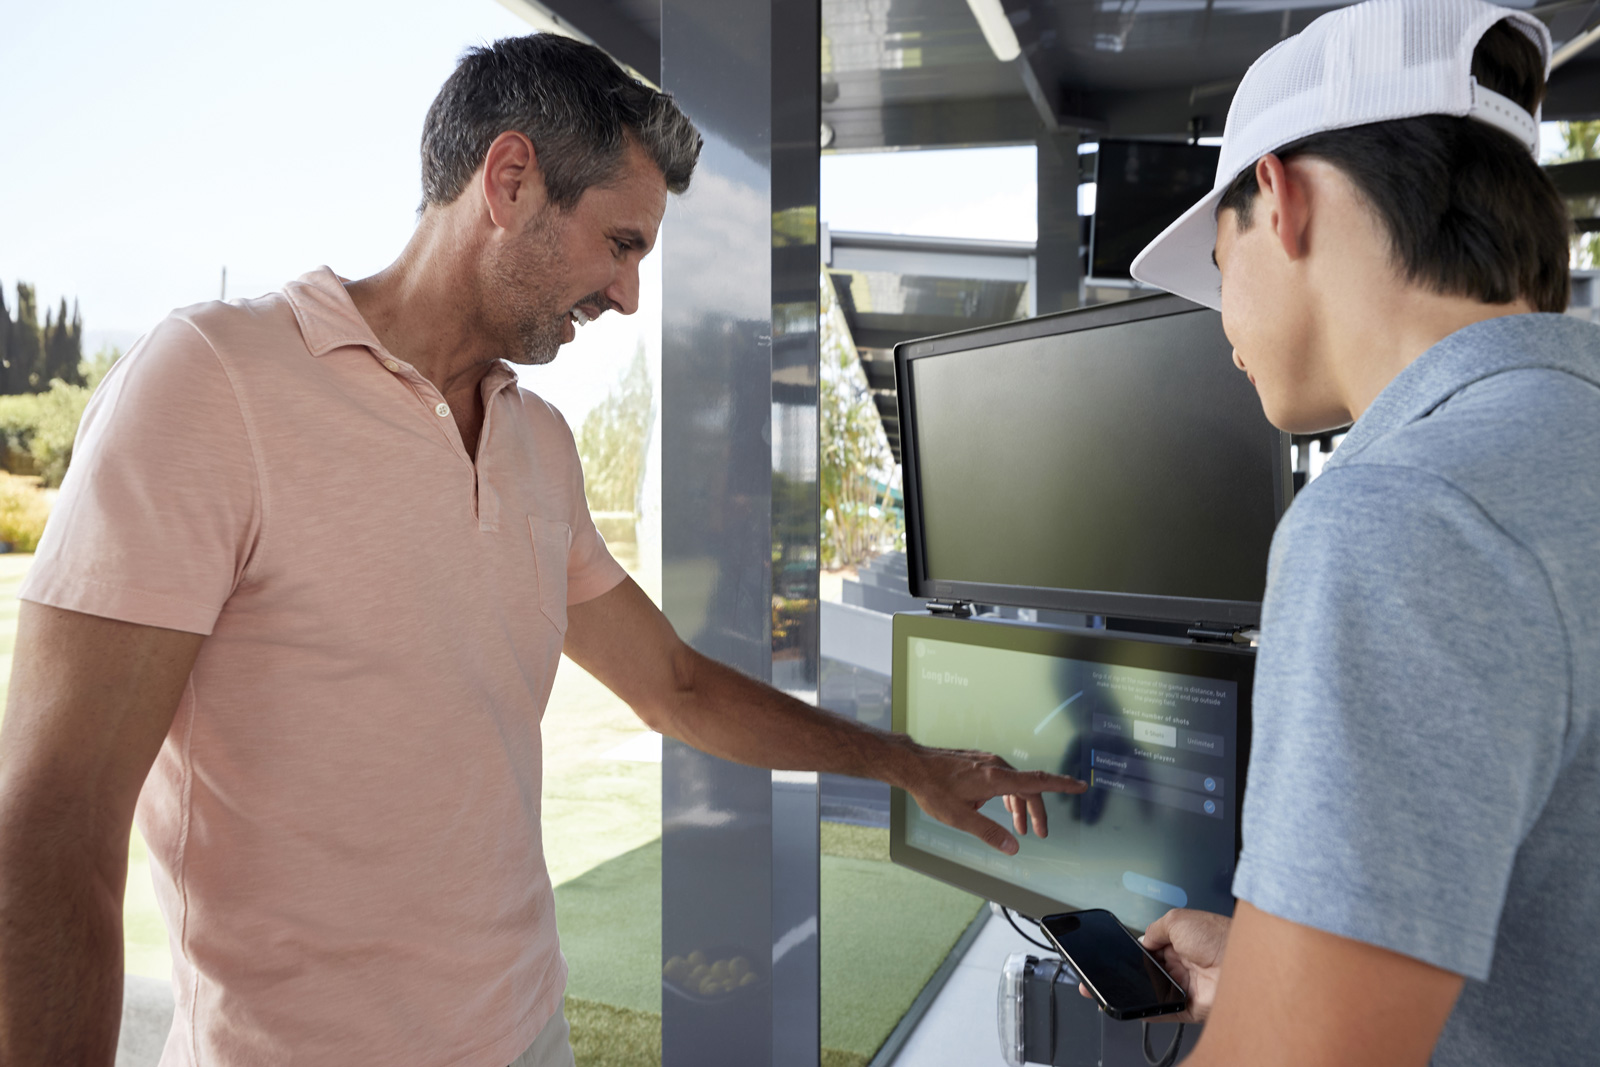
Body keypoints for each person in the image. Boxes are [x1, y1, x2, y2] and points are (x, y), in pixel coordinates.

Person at [0, 34, 1085, 1067]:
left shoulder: (538, 441)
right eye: (622, 243)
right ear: (510, 179)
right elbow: (52, 828)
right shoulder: (211, 382)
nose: (630, 294)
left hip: (525, 1029)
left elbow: (674, 684)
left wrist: (909, 763)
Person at [1066, 0, 1599, 1063]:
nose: (1223, 330)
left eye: (1221, 271)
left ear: (1283, 195)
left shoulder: (1398, 512)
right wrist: (1282, 960)